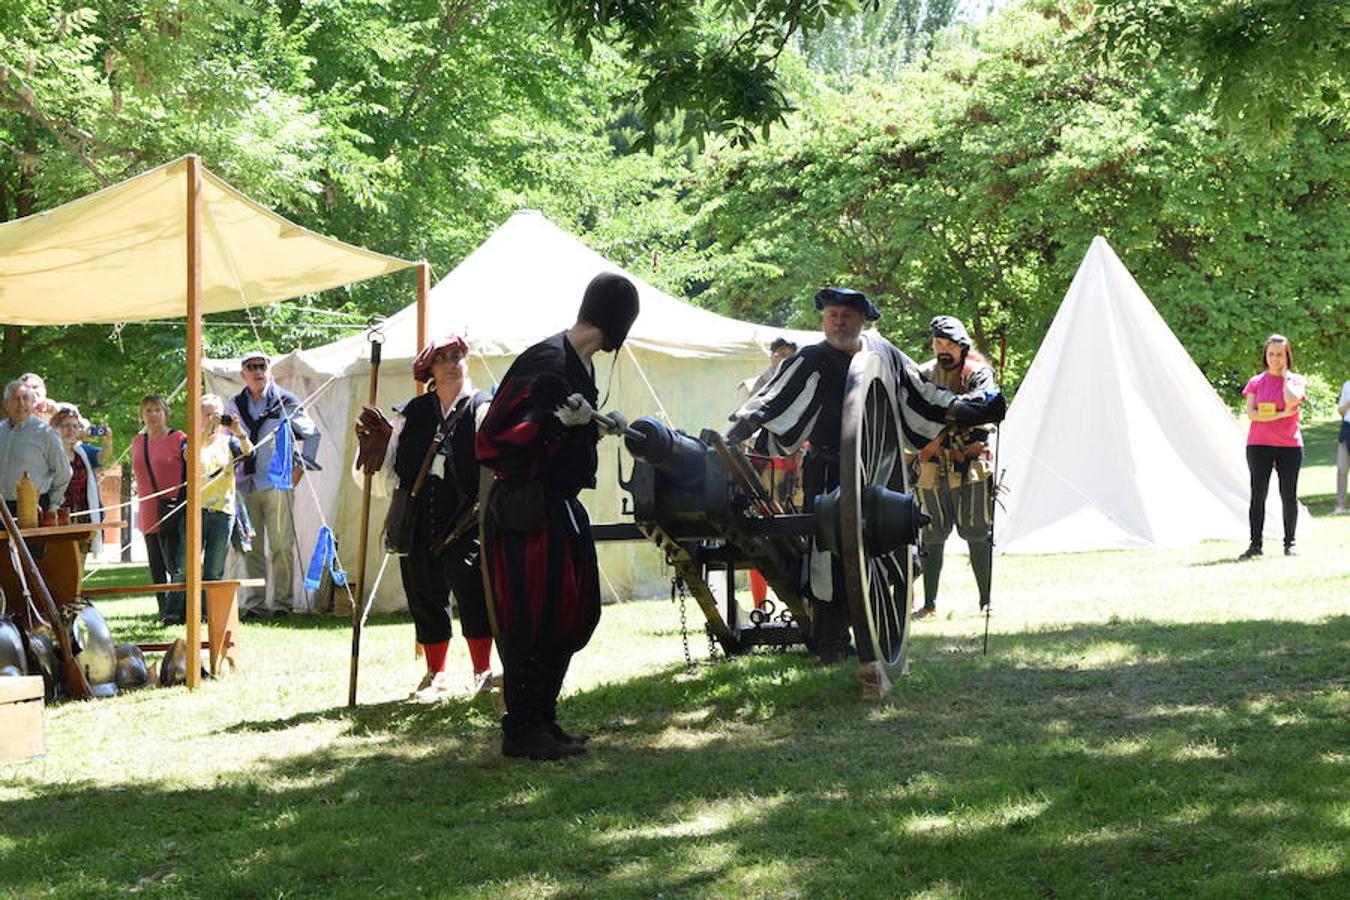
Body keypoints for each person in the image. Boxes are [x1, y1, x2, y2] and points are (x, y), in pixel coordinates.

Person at [725, 289, 1003, 675]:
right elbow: (771, 400)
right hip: (826, 476)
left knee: (879, 555)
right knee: (826, 558)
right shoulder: (809, 358)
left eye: (847, 316)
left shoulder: (883, 355)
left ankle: (880, 637)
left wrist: (968, 408)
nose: (839, 322)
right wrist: (740, 426)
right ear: (823, 319)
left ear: (864, 321)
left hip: (878, 478)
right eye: (832, 314)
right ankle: (830, 643)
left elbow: (920, 393)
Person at [476, 272, 639, 761]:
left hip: (558, 505)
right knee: (534, 615)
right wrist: (551, 427)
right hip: (528, 510)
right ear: (615, 322)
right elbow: (495, 440)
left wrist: (593, 426)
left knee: (569, 611)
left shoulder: (578, 365)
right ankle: (523, 729)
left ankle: (542, 720)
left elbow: (565, 428)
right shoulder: (545, 359)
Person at [355, 335, 496, 701]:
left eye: (457, 355)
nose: (452, 362)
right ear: (430, 368)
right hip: (418, 520)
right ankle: (435, 675)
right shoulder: (411, 414)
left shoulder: (485, 409)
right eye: (443, 357)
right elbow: (384, 475)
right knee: (424, 595)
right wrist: (374, 448)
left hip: (468, 521)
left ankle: (483, 671)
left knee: (474, 593)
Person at [910, 316, 999, 620]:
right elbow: (912, 411)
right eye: (938, 343)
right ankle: (930, 604)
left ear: (962, 347)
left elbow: (982, 408)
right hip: (932, 467)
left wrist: (940, 430)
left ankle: (986, 601)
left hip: (969, 462)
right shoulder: (922, 374)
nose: (943, 349)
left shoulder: (978, 373)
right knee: (931, 534)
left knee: (977, 532)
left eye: (949, 344)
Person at [227, 352, 321, 619]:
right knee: (251, 548)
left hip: (277, 481)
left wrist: (300, 468)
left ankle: (282, 604)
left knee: (281, 546)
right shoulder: (234, 404)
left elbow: (312, 434)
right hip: (245, 483)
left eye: (262, 366)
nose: (257, 371)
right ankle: (255, 604)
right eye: (251, 367)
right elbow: (226, 438)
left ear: (269, 370)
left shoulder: (285, 400)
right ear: (242, 373)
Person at [183, 395, 254, 613]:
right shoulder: (192, 441)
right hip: (197, 510)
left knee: (214, 568)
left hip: (223, 511)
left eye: (216, 415)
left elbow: (249, 452)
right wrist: (207, 431)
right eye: (207, 415)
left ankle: (207, 612)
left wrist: (238, 431)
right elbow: (190, 457)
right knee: (186, 567)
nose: (213, 419)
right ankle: (177, 612)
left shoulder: (228, 442)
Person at [1239, 334, 1306, 558]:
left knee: (1289, 494)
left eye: (1280, 354)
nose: (1275, 359)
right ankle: (1255, 545)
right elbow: (1251, 414)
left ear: (1287, 356)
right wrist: (1280, 414)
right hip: (1259, 445)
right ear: (1265, 356)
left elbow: (1291, 400)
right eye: (1271, 354)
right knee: (1258, 495)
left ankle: (1290, 543)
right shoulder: (1255, 382)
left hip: (1289, 445)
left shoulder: (1296, 381)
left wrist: (1285, 376)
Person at [130, 394, 188, 624]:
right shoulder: (138, 441)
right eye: (148, 411)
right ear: (141, 415)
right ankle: (163, 609)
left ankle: (179, 611)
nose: (153, 415)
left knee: (174, 562)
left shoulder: (178, 438)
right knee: (156, 564)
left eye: (157, 410)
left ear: (166, 413)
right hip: (147, 508)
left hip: (172, 508)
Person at [49, 403, 114, 555]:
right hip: (58, 519)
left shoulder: (82, 451)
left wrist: (107, 440)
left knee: (79, 568)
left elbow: (103, 458)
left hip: (84, 519)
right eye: (65, 426)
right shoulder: (50, 453)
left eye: (75, 426)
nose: (71, 430)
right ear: (56, 428)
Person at [0, 379, 70, 515]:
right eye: (15, 399)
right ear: (6, 404)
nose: (21, 404)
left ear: (32, 403)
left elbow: (64, 472)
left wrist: (53, 504)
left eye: (25, 398)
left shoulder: (45, 433)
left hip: (33, 508)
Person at [1335, 378, 1350, 515]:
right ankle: (1340, 506)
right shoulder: (1347, 384)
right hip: (1347, 429)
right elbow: (1341, 411)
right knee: (1342, 468)